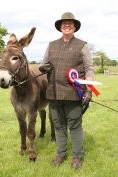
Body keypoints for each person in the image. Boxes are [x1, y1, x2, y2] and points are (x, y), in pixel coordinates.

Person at [39, 12, 93, 169]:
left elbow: (89, 68)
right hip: (54, 94)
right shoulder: (51, 45)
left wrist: (88, 89)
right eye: (64, 23)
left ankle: (77, 157)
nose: (67, 25)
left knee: (75, 126)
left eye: (70, 23)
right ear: (60, 27)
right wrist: (43, 67)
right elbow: (43, 65)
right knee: (58, 126)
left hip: (73, 94)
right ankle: (61, 154)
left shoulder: (82, 45)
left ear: (74, 27)